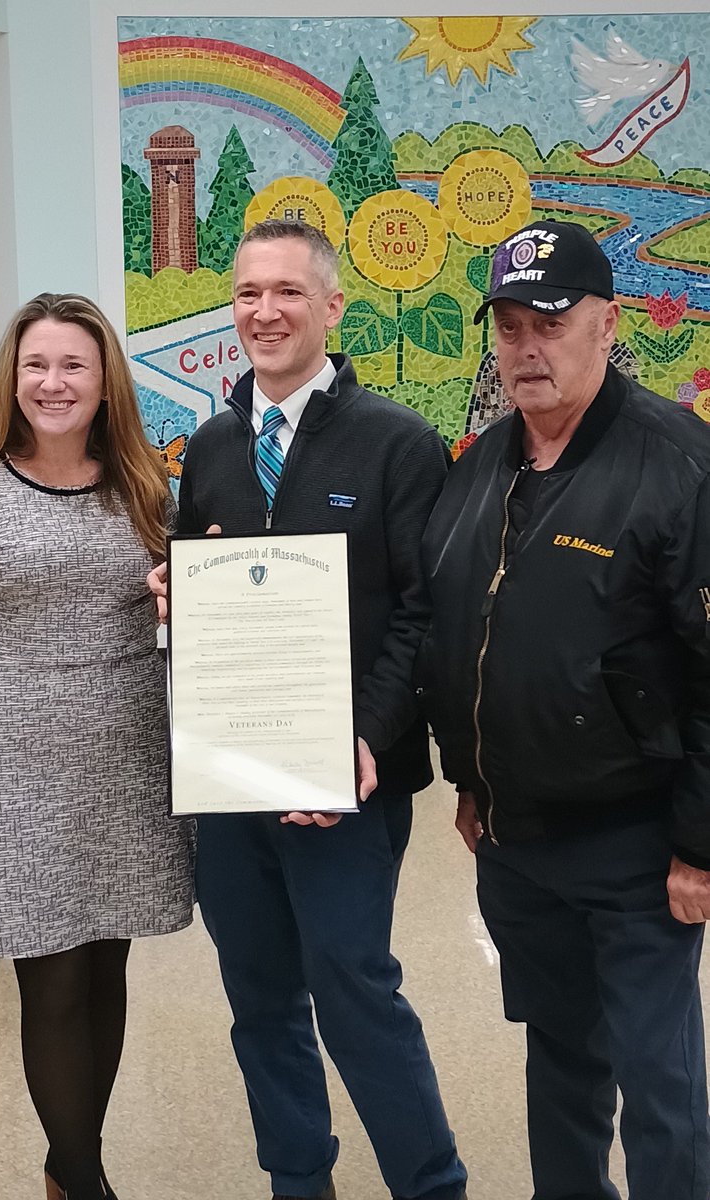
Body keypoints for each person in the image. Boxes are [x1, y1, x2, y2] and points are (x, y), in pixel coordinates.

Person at [149, 220, 467, 1200]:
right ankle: (299, 1180)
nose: (266, 312)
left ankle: (431, 1184)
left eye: (289, 292)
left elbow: (425, 610)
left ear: (332, 309)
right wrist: (176, 593)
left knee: (354, 990)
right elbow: (194, 585)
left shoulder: (399, 445)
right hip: (234, 781)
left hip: (352, 782)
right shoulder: (207, 447)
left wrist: (366, 736)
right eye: (248, 294)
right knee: (260, 999)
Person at [416, 218, 710, 1200]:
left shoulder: (677, 463)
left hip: (637, 847)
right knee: (560, 1060)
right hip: (516, 842)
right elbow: (455, 632)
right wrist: (468, 779)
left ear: (607, 323)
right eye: (508, 326)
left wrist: (701, 843)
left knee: (659, 1081)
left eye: (549, 321)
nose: (527, 348)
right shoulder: (477, 468)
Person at [0, 292, 193, 1200]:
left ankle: (69, 1167)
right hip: (15, 773)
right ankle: (85, 1178)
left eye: (74, 364)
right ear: (12, 377)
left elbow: (172, 617)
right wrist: (26, 686)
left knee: (107, 964)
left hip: (126, 762)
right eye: (37, 365)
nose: (54, 382)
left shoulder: (147, 488)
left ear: (105, 379)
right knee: (54, 982)